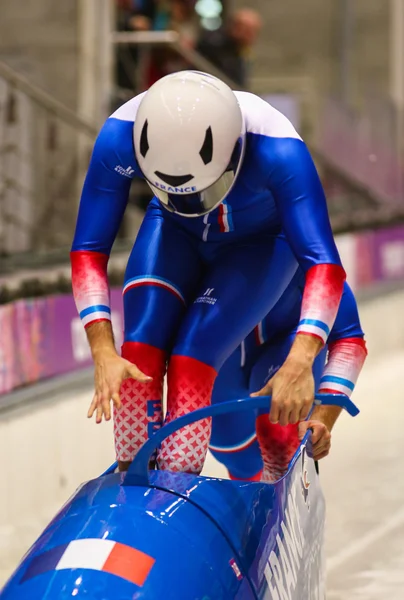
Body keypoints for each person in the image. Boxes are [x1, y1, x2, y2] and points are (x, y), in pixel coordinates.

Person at [70, 71, 346, 474]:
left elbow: (324, 263)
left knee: (191, 359)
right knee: (137, 357)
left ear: (235, 154)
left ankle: (178, 484)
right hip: (173, 230)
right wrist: (101, 348)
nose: (195, 204)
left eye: (203, 191)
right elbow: (88, 250)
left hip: (259, 245)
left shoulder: (279, 150)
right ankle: (135, 482)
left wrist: (301, 359)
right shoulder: (118, 138)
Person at [210, 278, 367, 482]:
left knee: (282, 444)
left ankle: (287, 495)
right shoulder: (187, 250)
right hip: (219, 373)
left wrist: (322, 417)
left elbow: (349, 338)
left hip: (289, 349)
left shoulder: (306, 251)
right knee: (240, 464)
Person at [197, 9, 262, 87]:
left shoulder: (239, 51)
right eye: (249, 31)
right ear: (237, 28)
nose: (252, 37)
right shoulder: (215, 47)